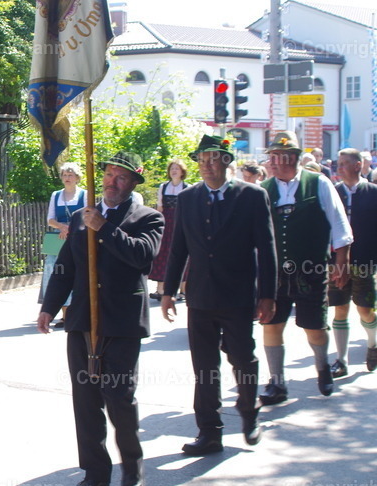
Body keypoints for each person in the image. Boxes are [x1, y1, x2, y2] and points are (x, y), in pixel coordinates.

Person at [37, 151, 164, 486]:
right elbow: (66, 265)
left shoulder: (149, 218)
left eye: (121, 177)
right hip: (81, 322)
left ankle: (132, 469)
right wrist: (49, 307)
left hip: (121, 323)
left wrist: (104, 229)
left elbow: (142, 257)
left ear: (133, 183)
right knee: (86, 400)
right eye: (109, 174)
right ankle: (95, 474)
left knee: (120, 399)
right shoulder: (80, 216)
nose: (112, 181)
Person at [160, 136, 278, 455]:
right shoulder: (188, 198)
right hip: (199, 297)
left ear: (227, 162)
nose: (208, 165)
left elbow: (266, 249)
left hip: (239, 295)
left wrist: (267, 295)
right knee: (205, 367)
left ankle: (248, 411)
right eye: (202, 160)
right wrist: (168, 291)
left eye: (214, 159)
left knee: (242, 357)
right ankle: (209, 432)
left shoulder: (252, 196)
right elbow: (178, 248)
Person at [259, 132, 352, 405]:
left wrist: (341, 262)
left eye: (278, 156)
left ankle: (323, 368)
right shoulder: (264, 189)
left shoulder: (319, 183)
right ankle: (277, 383)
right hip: (275, 273)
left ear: (294, 158)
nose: (273, 162)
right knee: (271, 323)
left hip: (311, 271)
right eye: (271, 156)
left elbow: (339, 225)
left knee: (314, 325)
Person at [328, 149, 377, 376]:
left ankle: (372, 344)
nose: (340, 168)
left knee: (365, 310)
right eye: (339, 163)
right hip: (336, 260)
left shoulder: (372, 192)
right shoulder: (332, 192)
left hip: (364, 260)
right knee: (340, 308)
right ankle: (341, 359)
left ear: (358, 165)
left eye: (345, 163)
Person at [39, 162, 85, 327]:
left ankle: (75, 312)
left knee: (77, 273)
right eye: (65, 175)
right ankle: (64, 315)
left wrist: (72, 229)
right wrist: (63, 227)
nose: (67, 178)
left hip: (79, 238)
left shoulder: (84, 195)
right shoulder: (56, 195)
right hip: (59, 239)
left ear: (77, 177)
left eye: (70, 175)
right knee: (58, 273)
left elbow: (87, 216)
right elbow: (50, 219)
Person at [149, 159, 188, 300]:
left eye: (177, 168)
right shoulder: (163, 187)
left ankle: (183, 290)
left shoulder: (186, 187)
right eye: (172, 168)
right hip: (167, 222)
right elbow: (160, 208)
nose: (174, 171)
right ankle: (160, 289)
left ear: (182, 171)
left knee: (183, 252)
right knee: (163, 253)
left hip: (180, 222)